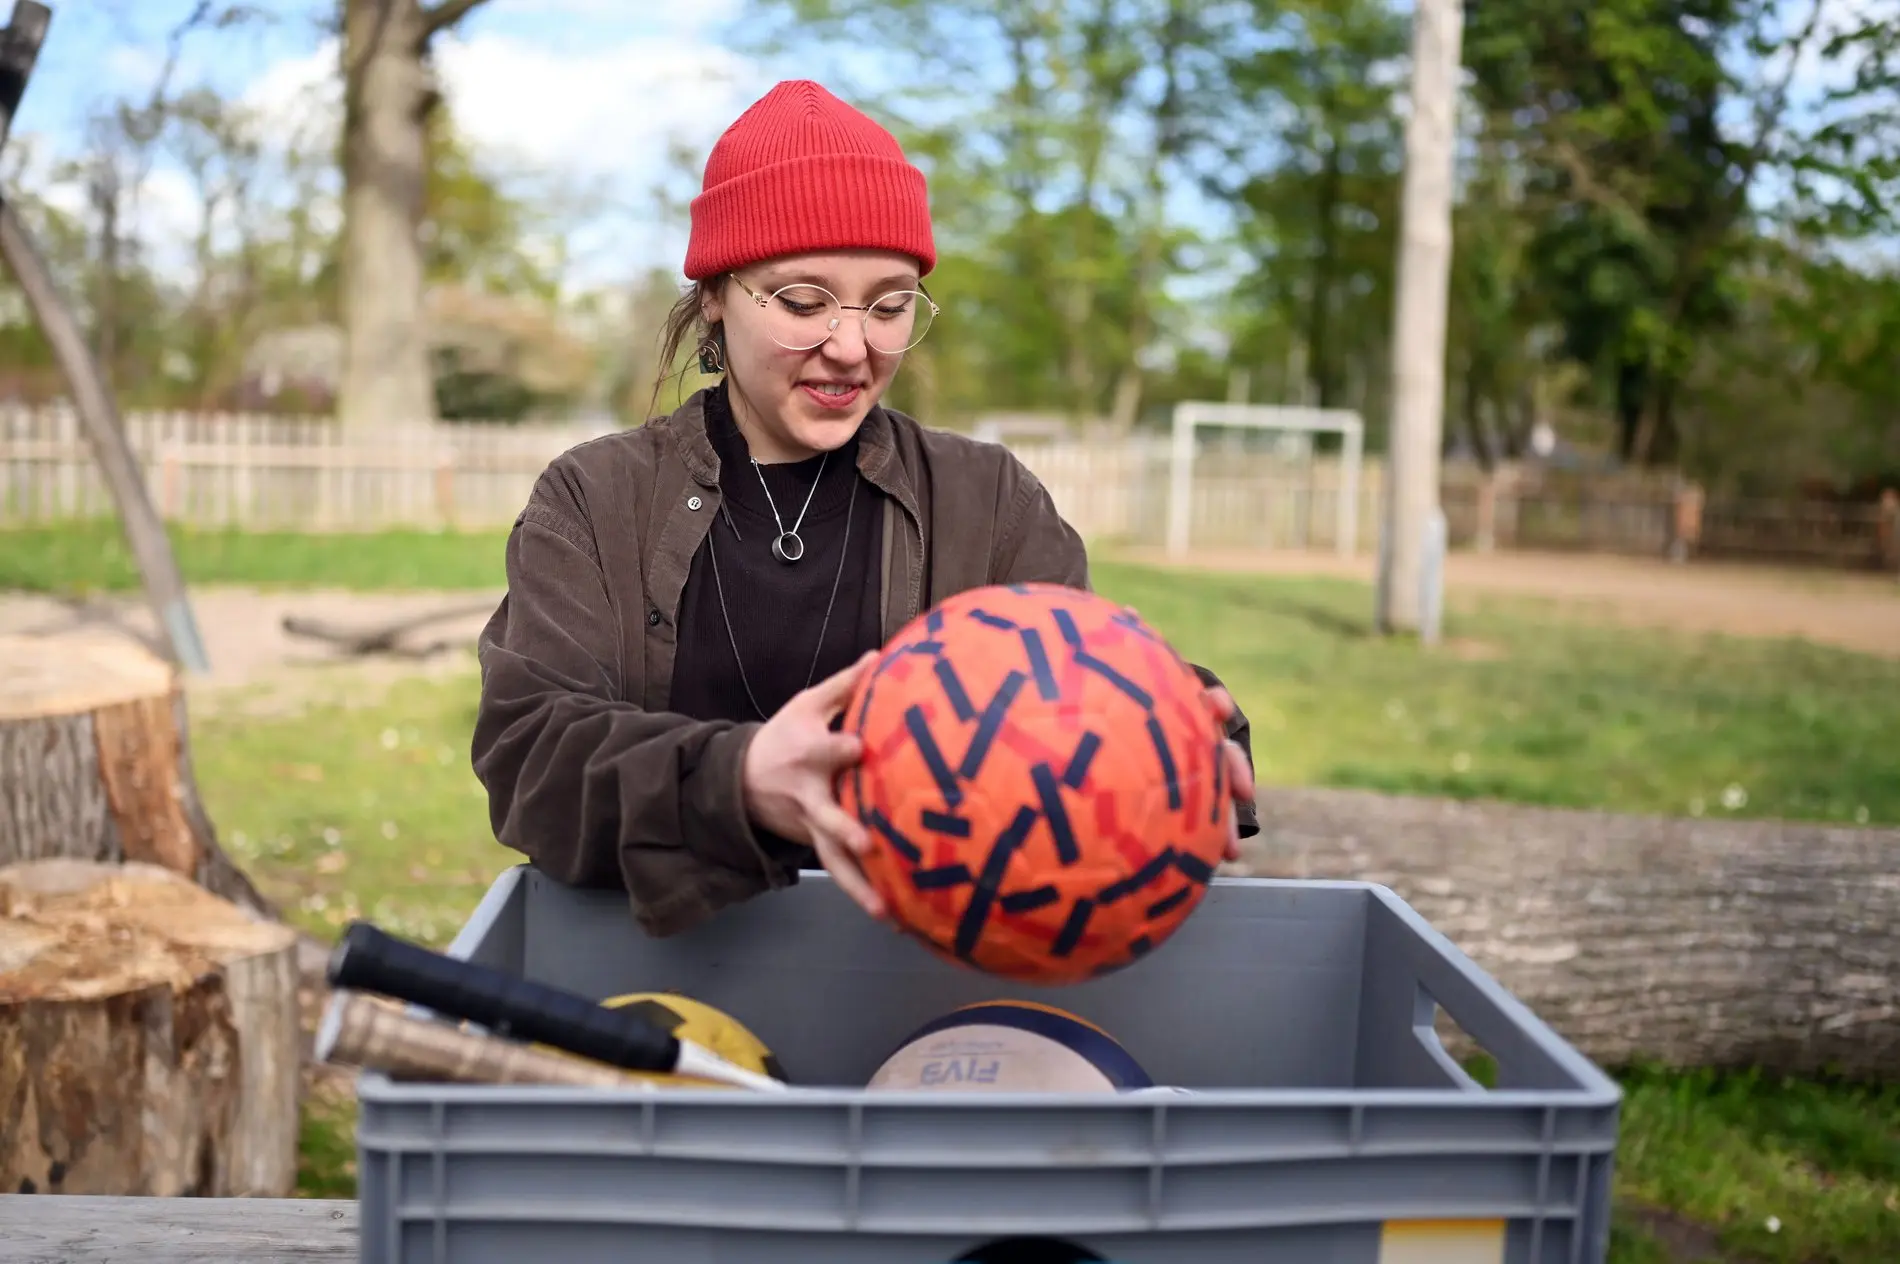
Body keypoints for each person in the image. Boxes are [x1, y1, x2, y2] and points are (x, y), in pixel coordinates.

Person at [471, 80, 1258, 938]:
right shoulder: (595, 498)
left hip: (921, 972)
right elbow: (533, 758)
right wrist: (733, 779)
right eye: (804, 302)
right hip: (654, 967)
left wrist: (1168, 731)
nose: (852, 348)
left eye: (889, 307)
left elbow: (1071, 691)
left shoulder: (986, 501)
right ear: (714, 296)